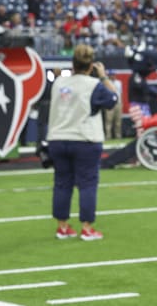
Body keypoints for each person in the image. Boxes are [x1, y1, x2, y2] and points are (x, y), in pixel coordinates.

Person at [46, 44, 118, 240]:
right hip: (85, 139)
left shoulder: (59, 82)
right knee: (87, 184)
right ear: (91, 66)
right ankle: (86, 227)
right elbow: (113, 98)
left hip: (58, 138)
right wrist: (103, 76)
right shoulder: (94, 85)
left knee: (62, 183)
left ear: (73, 63)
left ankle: (62, 226)